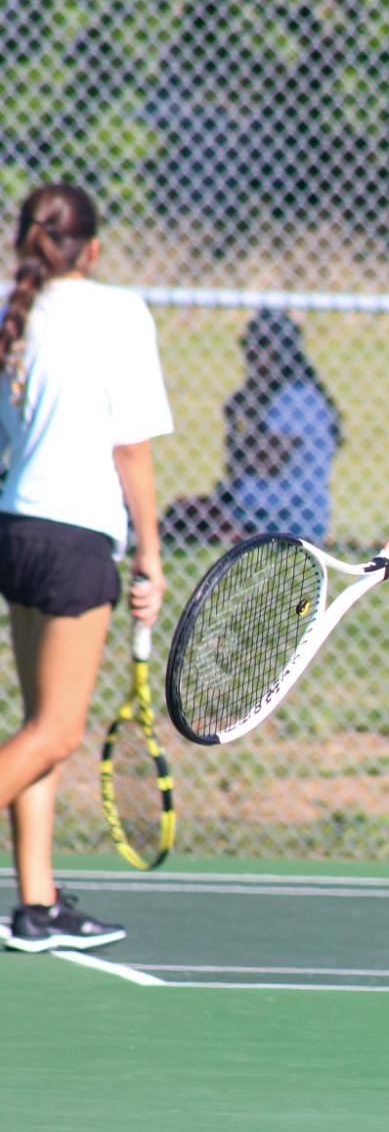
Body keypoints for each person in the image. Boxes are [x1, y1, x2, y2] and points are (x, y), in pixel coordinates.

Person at [0, 183, 172, 952]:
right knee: (58, 732)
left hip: (17, 529)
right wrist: (151, 555)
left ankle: (36, 905)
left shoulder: (14, 307)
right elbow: (130, 447)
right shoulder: (120, 311)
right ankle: (35, 900)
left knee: (35, 728)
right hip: (73, 543)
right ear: (93, 248)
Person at [161, 309, 341, 546]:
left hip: (283, 517)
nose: (252, 355)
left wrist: (242, 422)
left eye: (262, 346)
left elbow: (267, 463)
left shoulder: (297, 397)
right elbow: (236, 470)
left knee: (189, 519)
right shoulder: (269, 396)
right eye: (249, 346)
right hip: (249, 509)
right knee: (182, 513)